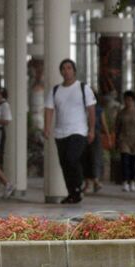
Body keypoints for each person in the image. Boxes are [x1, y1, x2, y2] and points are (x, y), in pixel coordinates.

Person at [44, 59, 96, 204]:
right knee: (64, 164)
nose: (66, 71)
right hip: (60, 133)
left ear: (74, 70)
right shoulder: (55, 90)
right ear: (61, 72)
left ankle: (78, 185)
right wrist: (47, 128)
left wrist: (91, 130)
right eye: (63, 68)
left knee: (72, 158)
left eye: (69, 68)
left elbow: (91, 110)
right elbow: (48, 109)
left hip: (79, 131)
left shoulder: (83, 88)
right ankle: (72, 193)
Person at [115, 90, 135, 192]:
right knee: (125, 161)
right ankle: (125, 182)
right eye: (126, 100)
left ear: (133, 101)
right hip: (124, 139)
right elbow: (117, 127)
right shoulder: (121, 112)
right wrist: (116, 140)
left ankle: (132, 181)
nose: (128, 102)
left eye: (130, 100)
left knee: (133, 162)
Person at [82, 93, 111, 193]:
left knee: (95, 157)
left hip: (96, 135)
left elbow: (104, 124)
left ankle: (95, 180)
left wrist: (108, 137)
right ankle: (89, 182)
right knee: (85, 158)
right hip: (83, 134)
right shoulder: (83, 108)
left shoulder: (98, 109)